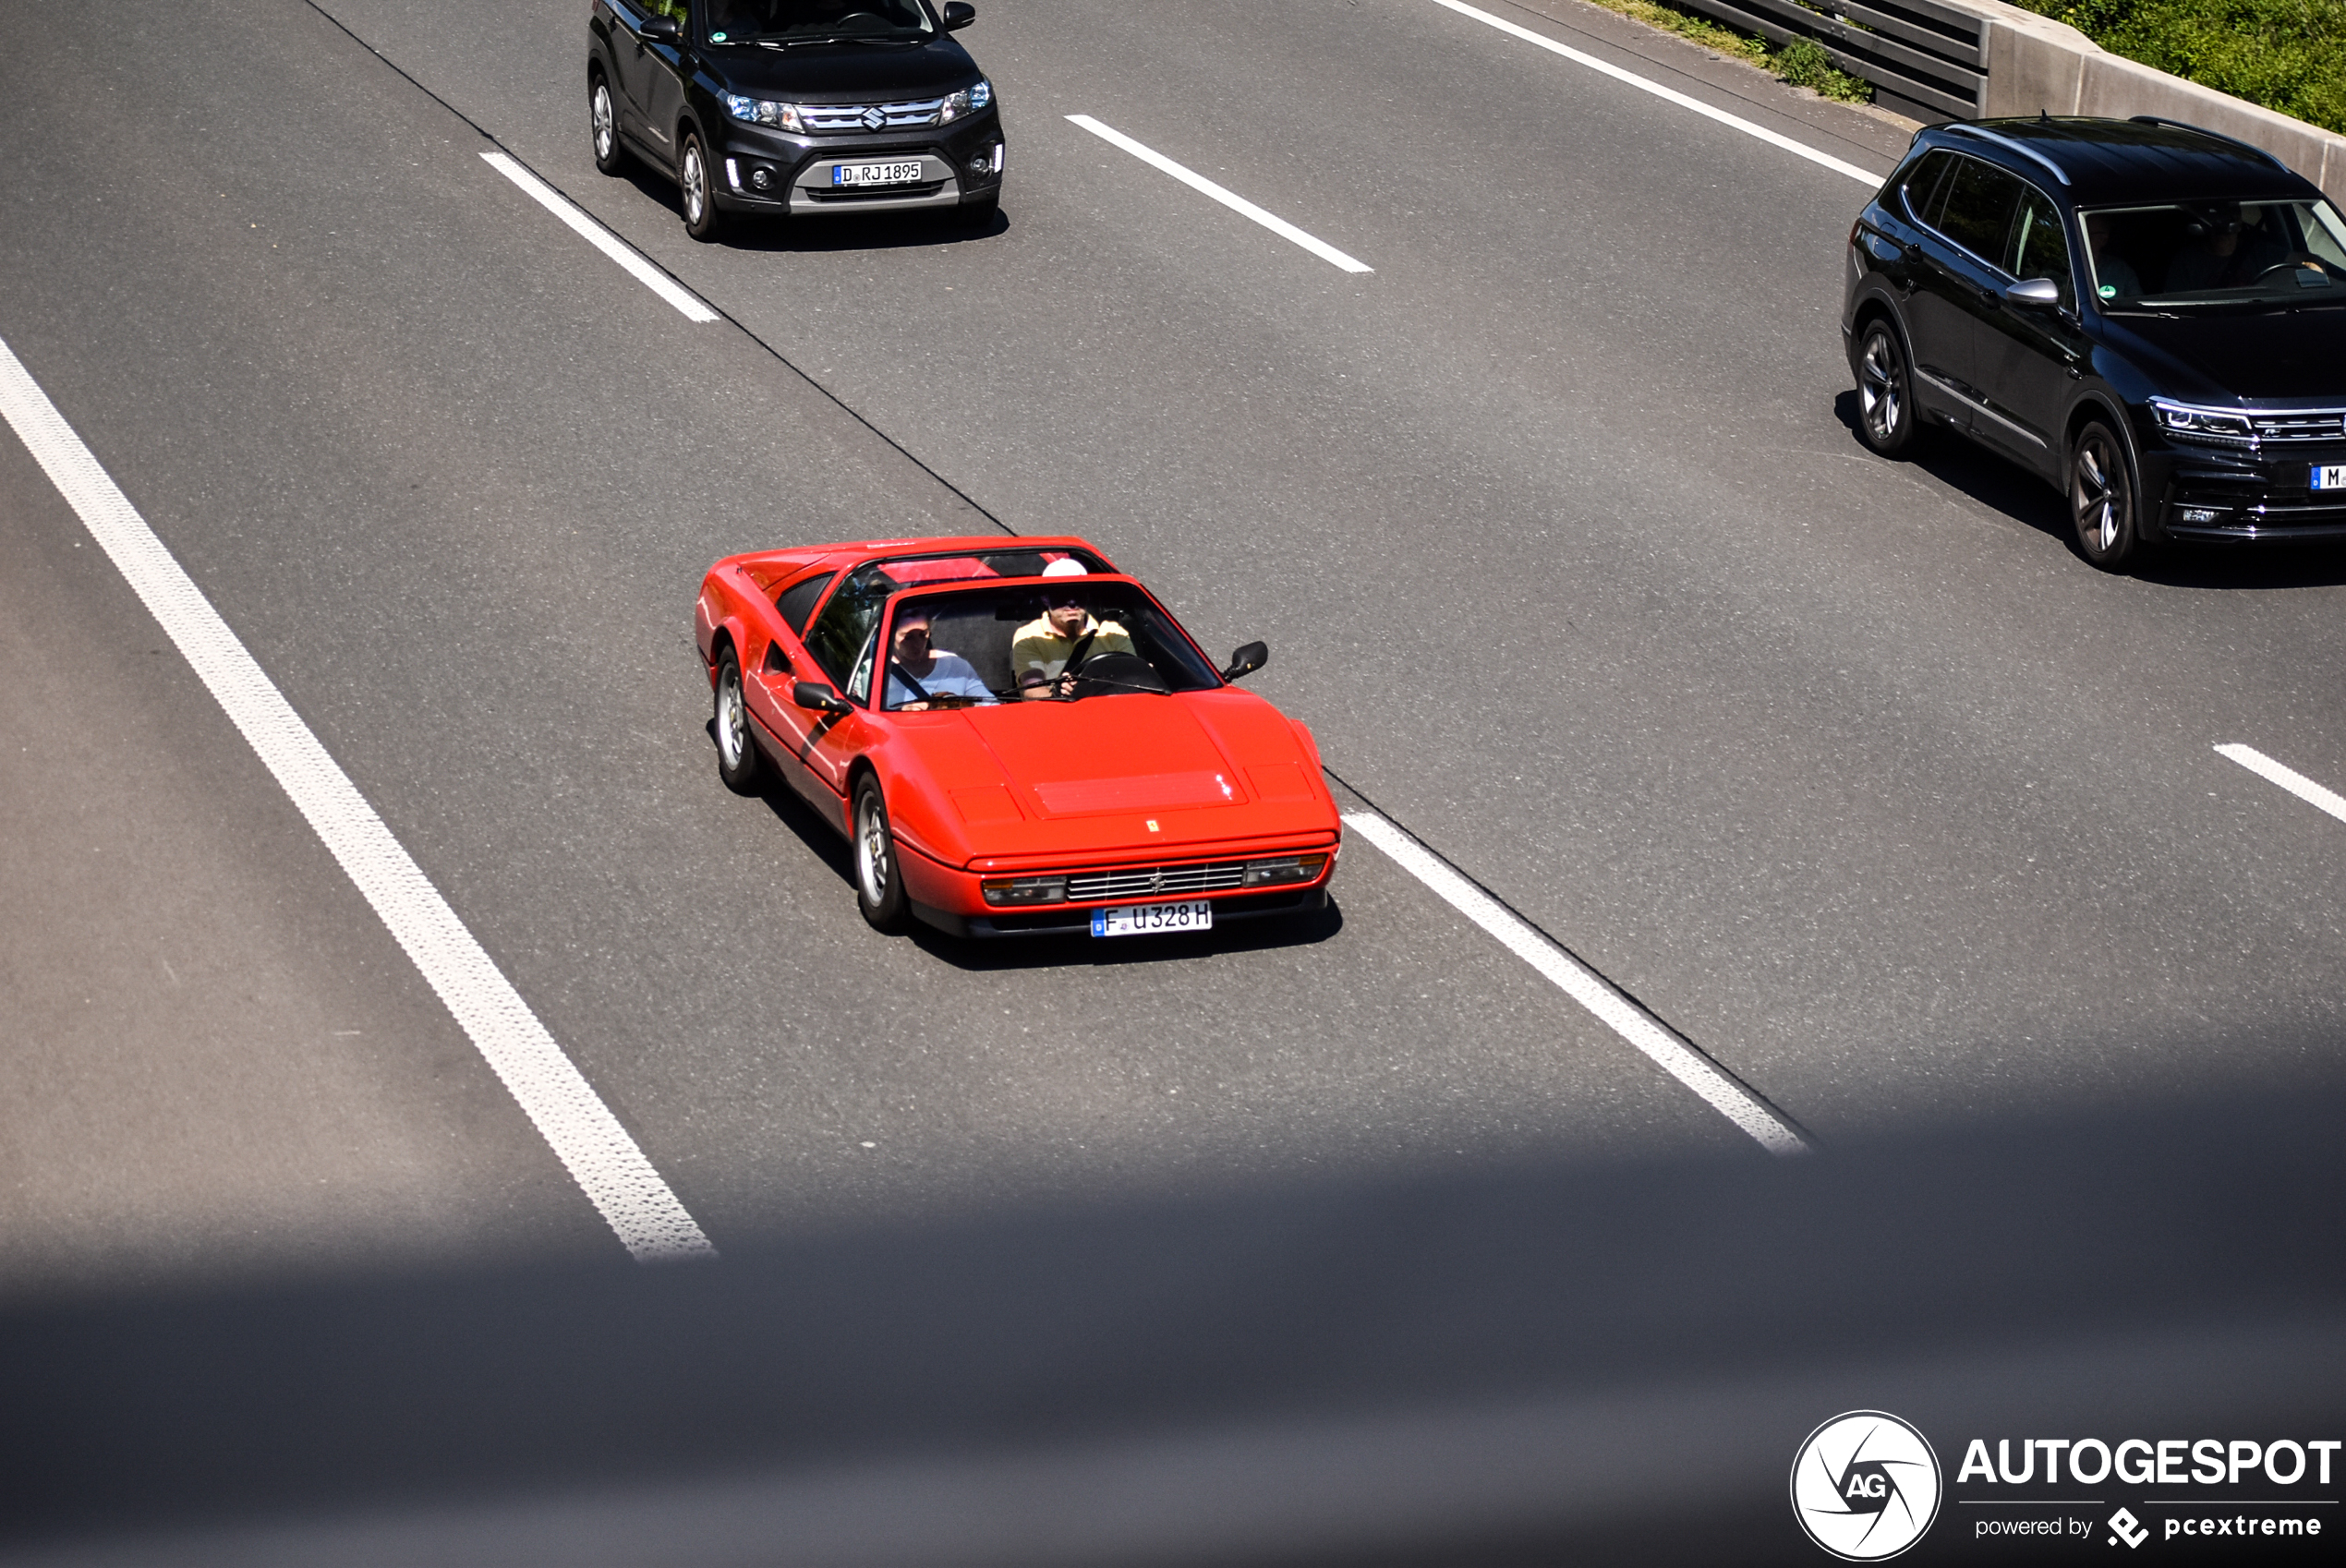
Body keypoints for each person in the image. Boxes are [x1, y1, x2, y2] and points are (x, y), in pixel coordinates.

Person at [1012, 561, 1133, 699]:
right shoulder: (1029, 636)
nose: (1071, 603)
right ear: (1045, 599)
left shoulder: (1113, 633)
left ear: (1087, 596)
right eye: (1062, 594)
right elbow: (1032, 690)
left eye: (1078, 593)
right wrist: (1057, 692)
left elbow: (1132, 680)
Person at [882, 608, 996, 710]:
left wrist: (962, 705)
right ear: (890, 635)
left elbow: (991, 706)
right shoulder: (877, 671)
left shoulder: (956, 667)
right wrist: (901, 713)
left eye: (923, 634)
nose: (917, 644)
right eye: (908, 637)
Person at [2084, 212, 2142, 303]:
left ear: (2104, 239)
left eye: (2088, 235)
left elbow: (2137, 305)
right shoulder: (2064, 265)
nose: (2083, 239)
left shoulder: (2120, 271)